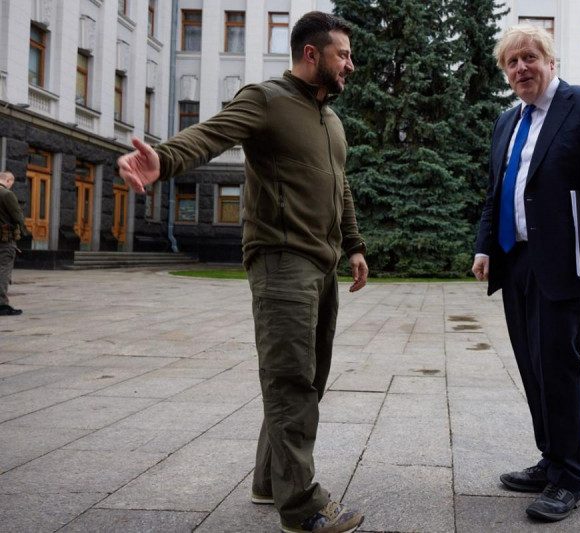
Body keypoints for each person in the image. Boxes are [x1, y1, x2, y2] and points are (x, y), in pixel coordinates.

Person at [117, 12, 367, 533]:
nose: (350, 64)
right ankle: (302, 507)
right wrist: (162, 159)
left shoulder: (331, 120)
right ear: (311, 55)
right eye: (342, 54)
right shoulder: (266, 99)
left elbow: (339, 185)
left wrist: (355, 246)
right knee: (290, 379)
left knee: (307, 378)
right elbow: (210, 135)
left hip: (322, 262)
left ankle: (268, 481)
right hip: (281, 259)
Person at [472, 25, 580, 522]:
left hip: (568, 263)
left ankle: (569, 478)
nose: (521, 69)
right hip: (516, 259)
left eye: (529, 58)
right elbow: (497, 192)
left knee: (558, 367)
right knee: (531, 365)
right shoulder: (507, 121)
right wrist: (484, 247)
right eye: (511, 63)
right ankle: (550, 459)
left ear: (550, 60)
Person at [0, 171, 27, 316]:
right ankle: (2, 305)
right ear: (9, 181)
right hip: (4, 241)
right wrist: (25, 233)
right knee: (3, 270)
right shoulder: (7, 194)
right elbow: (17, 217)